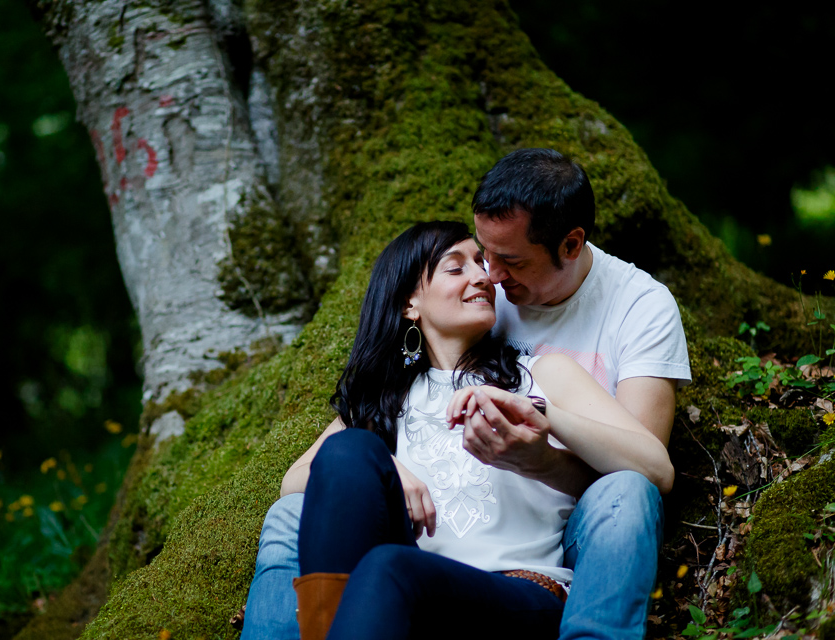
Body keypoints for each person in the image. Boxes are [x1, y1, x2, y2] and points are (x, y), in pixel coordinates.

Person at [241, 149, 691, 640]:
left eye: (495, 262)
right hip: (407, 590)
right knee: (344, 458)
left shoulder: (543, 372)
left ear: (569, 244)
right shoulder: (387, 398)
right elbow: (300, 480)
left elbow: (652, 468)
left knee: (390, 567)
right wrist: (388, 469)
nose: (487, 275)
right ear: (410, 302)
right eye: (463, 265)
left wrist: (542, 416)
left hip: (515, 591)